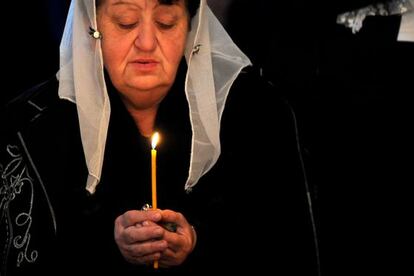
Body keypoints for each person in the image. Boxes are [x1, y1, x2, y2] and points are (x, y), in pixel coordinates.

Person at [1, 0, 319, 275]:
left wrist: (197, 240)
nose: (147, 42)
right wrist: (108, 244)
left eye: (166, 23)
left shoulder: (257, 114)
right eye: (126, 22)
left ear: (191, 26)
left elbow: (286, 245)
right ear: (91, 25)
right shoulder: (33, 127)